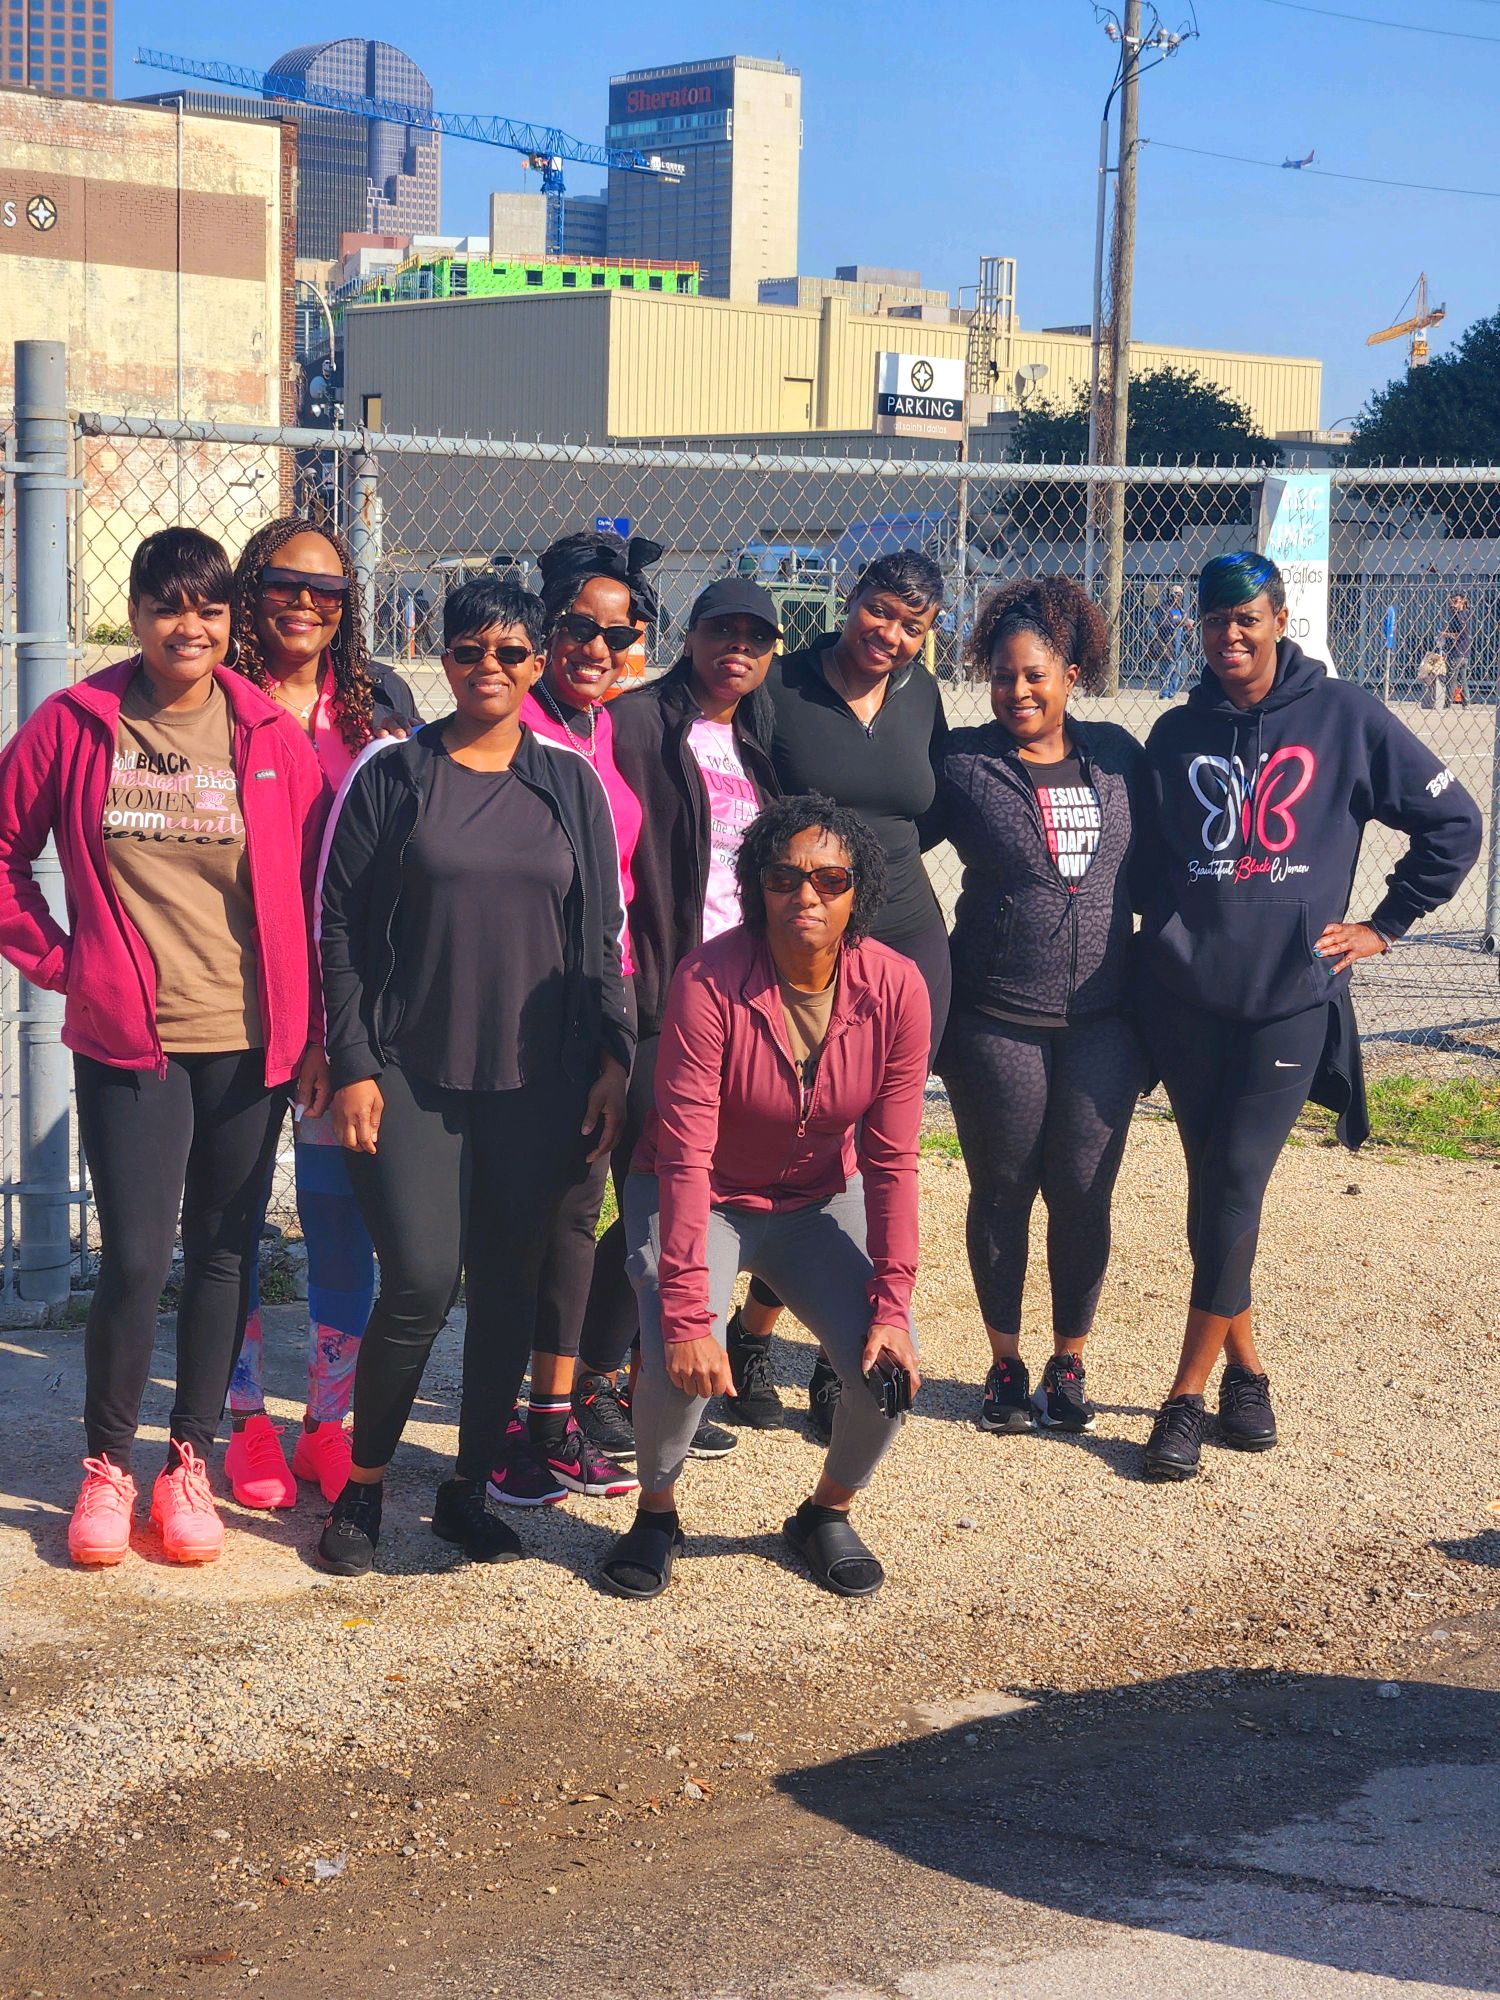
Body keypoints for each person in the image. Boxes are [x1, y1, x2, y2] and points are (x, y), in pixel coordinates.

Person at [0, 528, 326, 1566]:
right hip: (131, 1038)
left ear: (231, 621)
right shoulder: (75, 723)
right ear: (136, 614)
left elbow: (315, 894)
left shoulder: (268, 733)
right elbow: (4, 853)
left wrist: (317, 1031)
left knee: (225, 1251)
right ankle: (106, 1467)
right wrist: (65, 964)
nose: (191, 627)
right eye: (169, 606)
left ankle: (191, 1463)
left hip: (249, 1039)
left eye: (210, 609)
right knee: (137, 1258)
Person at [1135, 552, 1482, 1481]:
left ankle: (1184, 1397)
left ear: (1281, 620)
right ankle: (1248, 1373)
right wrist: (1161, 940)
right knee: (1215, 1196)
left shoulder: (1345, 717)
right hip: (1189, 1003)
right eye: (1215, 621)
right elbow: (1145, 862)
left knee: (1234, 1184)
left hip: (1291, 999)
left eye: (1246, 618)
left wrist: (1385, 924)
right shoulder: (1176, 734)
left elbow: (1455, 825)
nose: (1230, 636)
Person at [313, 573, 633, 1574]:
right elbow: (338, 925)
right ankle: (364, 1487)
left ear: (538, 664)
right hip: (409, 1073)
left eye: (509, 651)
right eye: (467, 650)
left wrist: (613, 1057)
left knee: (508, 1285)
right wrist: (353, 1061)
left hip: (539, 1081)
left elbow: (603, 932)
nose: (487, 666)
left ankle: (464, 1492)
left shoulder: (569, 780)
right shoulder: (393, 772)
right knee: (417, 1279)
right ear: (442, 659)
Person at [597, 796, 929, 1601]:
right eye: (784, 877)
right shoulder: (708, 979)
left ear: (857, 892)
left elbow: (892, 1160)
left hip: (816, 1197)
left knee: (886, 1369)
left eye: (829, 879)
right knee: (678, 1354)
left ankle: (824, 1513)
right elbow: (685, 1153)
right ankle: (656, 1513)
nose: (805, 895)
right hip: (704, 1191)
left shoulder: (897, 988)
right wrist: (687, 1315)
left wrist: (892, 1303)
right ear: (756, 887)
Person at [221, 516, 419, 1512]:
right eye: (283, 583)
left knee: (343, 1223)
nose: (306, 602)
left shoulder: (381, 707)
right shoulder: (212, 697)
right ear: (249, 589)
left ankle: (325, 1422)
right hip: (234, 1000)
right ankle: (244, 1417)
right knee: (231, 1218)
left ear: (350, 604)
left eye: (328, 589)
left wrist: (347, 1031)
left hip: (347, 1012)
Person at [728, 550, 947, 1439]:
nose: (890, 635)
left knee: (870, 1150)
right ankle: (752, 1333)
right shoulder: (781, 686)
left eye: (912, 626)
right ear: (848, 599)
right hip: (806, 942)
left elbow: (924, 805)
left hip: (907, 943)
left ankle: (834, 1358)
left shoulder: (921, 695)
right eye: (879, 611)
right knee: (801, 1140)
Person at [569, 577, 782, 1464]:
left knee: (705, 1197)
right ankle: (590, 1378)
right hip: (661, 994)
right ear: (688, 638)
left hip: (741, 1001)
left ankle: (647, 1373)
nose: (738, 649)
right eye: (720, 631)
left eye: (756, 638)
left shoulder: (757, 742)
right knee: (654, 1196)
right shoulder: (637, 723)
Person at [931, 577, 1148, 1436]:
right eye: (1000, 676)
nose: (1016, 691)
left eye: (1033, 675)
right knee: (1003, 1190)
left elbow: (1164, 865)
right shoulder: (965, 766)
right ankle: (1005, 1363)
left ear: (1071, 674)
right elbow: (892, 837)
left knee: (1084, 1194)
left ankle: (1068, 1362)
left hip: (1104, 1021)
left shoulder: (1119, 755)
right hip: (996, 1019)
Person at [484, 529, 657, 1508]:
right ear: (544, 629)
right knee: (530, 1219)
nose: (598, 647)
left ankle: (554, 1413)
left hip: (608, 993)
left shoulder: (609, 728)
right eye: (579, 628)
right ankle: (508, 1425)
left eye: (618, 633)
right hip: (531, 1003)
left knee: (583, 1214)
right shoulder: (517, 726)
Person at [1151, 584, 1191, 700]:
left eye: (1180, 595)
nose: (1177, 597)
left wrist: (1187, 626)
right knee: (1165, 668)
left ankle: (1171, 693)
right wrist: (1178, 623)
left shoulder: (1180, 610)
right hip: (1166, 642)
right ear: (1170, 595)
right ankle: (1164, 693)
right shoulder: (1163, 608)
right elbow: (1161, 624)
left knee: (1176, 669)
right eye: (1175, 594)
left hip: (1178, 643)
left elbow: (1183, 626)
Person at [1437, 589, 1471, 706]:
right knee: (1462, 678)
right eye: (1452, 602)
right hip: (1462, 651)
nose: (1453, 605)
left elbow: (1459, 634)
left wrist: (1445, 634)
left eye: (1456, 601)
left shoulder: (1461, 616)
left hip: (1458, 651)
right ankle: (1466, 702)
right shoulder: (1459, 615)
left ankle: (1447, 703)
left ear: (1463, 602)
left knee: (1452, 678)